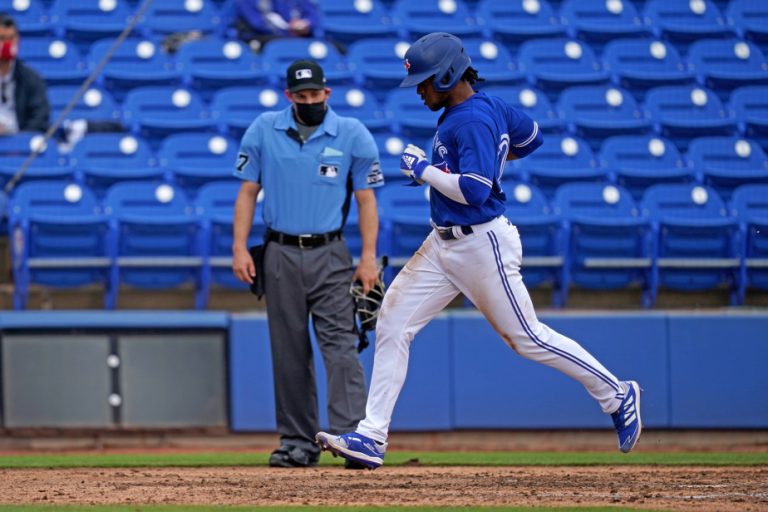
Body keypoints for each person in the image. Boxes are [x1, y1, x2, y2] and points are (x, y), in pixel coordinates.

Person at [316, 32, 643, 469]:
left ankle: (616, 394)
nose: (420, 90)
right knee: (393, 319)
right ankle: (372, 436)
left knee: (526, 338)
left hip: (480, 241)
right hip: (443, 243)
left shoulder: (468, 119)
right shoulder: (486, 107)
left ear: (450, 74)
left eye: (427, 81)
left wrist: (425, 171)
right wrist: (488, 157)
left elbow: (473, 191)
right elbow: (531, 138)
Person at [232, 59, 384, 468]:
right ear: (289, 96)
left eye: (315, 94)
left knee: (342, 346)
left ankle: (354, 436)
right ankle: (297, 441)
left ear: (327, 93)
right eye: (301, 95)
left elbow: (367, 201)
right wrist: (239, 248)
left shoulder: (352, 133)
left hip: (331, 252)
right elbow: (248, 192)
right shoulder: (264, 128)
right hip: (279, 251)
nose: (309, 100)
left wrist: (368, 259)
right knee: (289, 350)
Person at [0, 13, 49, 135]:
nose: (7, 44)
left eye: (11, 38)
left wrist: (21, 138)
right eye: (1, 38)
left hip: (20, 146)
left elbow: (40, 117)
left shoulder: (31, 79)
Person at [232, 0, 320, 52]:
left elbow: (313, 16)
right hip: (262, 36)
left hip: (296, 34)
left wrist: (305, 23)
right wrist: (290, 27)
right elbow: (259, 22)